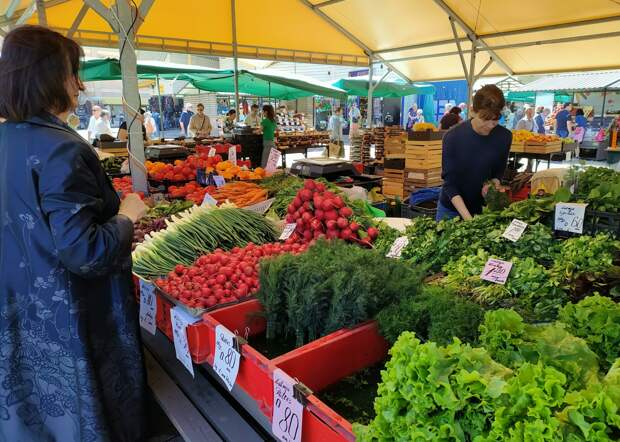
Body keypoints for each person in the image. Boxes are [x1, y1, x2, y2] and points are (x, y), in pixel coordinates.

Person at [0, 25, 148, 441]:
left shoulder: (6, 139)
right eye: (72, 73)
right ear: (48, 77)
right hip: (68, 318)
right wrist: (127, 216)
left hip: (21, 312)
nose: (79, 85)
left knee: (34, 415)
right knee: (81, 417)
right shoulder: (61, 148)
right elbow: (85, 252)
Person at [437, 84, 512, 221]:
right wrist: (469, 221)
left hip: (483, 210)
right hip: (451, 210)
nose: (490, 125)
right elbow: (449, 183)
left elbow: (498, 172)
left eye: (495, 120)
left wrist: (492, 185)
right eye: (485, 119)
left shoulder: (504, 137)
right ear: (472, 111)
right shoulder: (453, 137)